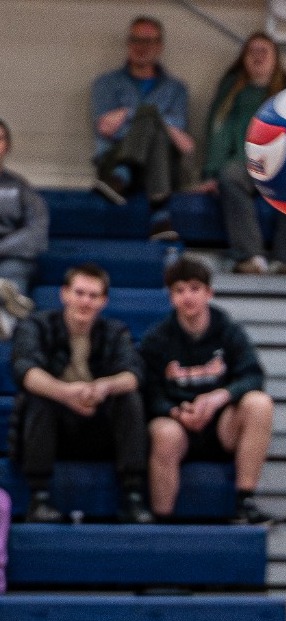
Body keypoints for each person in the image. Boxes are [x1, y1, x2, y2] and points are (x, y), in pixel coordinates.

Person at [10, 265, 153, 524]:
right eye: (79, 293)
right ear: (64, 294)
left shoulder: (115, 331)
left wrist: (103, 387)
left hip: (99, 425)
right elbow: (25, 372)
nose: (85, 301)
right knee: (39, 397)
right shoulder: (36, 325)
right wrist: (66, 394)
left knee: (129, 398)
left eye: (93, 295)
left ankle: (132, 495)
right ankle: (39, 498)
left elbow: (133, 375)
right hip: (53, 425)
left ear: (104, 301)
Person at [139, 258, 275, 524]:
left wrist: (219, 397)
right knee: (164, 432)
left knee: (260, 404)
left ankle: (244, 500)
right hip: (178, 424)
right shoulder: (156, 339)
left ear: (209, 293)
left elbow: (253, 375)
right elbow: (147, 390)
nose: (187, 296)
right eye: (179, 290)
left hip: (221, 424)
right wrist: (174, 411)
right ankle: (162, 520)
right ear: (170, 297)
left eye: (194, 288)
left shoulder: (228, 330)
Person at [193, 33, 286, 276]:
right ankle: (251, 255)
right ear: (244, 58)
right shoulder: (231, 89)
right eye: (252, 51)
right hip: (245, 163)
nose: (258, 57)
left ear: (275, 58)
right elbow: (218, 132)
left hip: (282, 163)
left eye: (263, 51)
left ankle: (285, 259)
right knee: (230, 176)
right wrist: (211, 173)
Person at [89, 16, 191, 241]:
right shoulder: (105, 84)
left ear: (160, 46)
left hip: (156, 169)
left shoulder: (176, 89)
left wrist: (128, 114)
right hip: (111, 160)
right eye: (136, 40)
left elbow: (181, 139)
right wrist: (158, 122)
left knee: (151, 118)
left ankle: (121, 177)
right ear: (128, 44)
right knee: (153, 122)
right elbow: (105, 129)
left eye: (149, 41)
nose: (141, 47)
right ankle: (160, 216)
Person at [0, 118, 47, 340]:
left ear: (7, 145)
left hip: (11, 257)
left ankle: (6, 321)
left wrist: (2, 247)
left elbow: (37, 231)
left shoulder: (19, 186)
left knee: (13, 275)